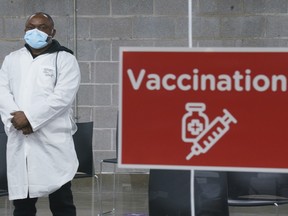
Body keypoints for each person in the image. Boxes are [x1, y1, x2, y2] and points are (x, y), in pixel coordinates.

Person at [0, 12, 80, 216]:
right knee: (23, 206)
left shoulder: (65, 59)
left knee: (62, 203)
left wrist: (30, 119)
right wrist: (16, 119)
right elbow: (2, 91)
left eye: (42, 27)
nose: (35, 31)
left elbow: (62, 97)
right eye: (30, 27)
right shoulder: (12, 59)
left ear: (52, 31)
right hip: (21, 139)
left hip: (52, 141)